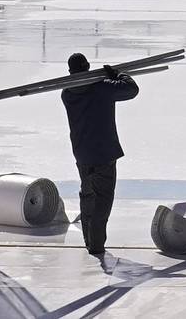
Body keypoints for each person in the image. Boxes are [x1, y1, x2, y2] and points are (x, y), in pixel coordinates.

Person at [61, 52, 139, 256]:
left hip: (82, 153)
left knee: (88, 196)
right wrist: (119, 74)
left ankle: (89, 240)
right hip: (104, 153)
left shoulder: (67, 93)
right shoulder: (102, 88)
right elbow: (132, 90)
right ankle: (96, 244)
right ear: (88, 67)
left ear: (70, 72)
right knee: (102, 199)